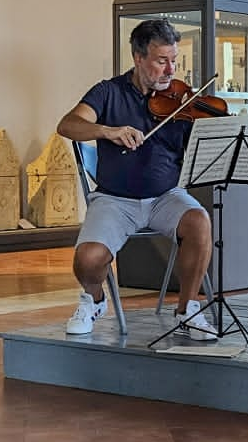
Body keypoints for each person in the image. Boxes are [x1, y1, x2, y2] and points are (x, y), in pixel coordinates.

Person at [56, 19, 216, 339]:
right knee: (88, 260)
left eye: (174, 60)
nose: (170, 70)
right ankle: (94, 301)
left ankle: (187, 311)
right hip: (115, 199)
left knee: (199, 221)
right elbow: (68, 124)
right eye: (161, 61)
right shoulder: (108, 92)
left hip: (165, 196)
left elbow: (204, 149)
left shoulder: (181, 102)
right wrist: (107, 130)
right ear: (138, 57)